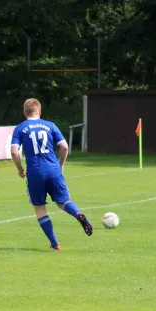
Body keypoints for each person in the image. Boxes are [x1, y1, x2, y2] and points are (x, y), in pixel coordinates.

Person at [10, 98, 92, 249]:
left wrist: (20, 169)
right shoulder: (50, 125)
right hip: (54, 170)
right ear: (39, 111)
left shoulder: (20, 128)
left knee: (40, 208)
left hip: (35, 173)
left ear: (24, 113)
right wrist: (61, 164)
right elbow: (65, 147)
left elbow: (14, 152)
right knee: (63, 202)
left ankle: (55, 243)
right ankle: (78, 214)